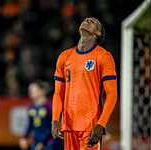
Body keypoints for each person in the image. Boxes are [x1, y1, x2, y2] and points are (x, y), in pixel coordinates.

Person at [51, 17, 117, 150]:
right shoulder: (64, 56)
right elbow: (58, 92)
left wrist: (101, 124)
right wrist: (55, 120)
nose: (86, 20)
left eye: (92, 21)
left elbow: (112, 94)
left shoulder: (104, 56)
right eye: (86, 19)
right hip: (68, 127)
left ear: (97, 33)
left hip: (91, 127)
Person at [19, 80, 64, 150]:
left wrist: (43, 142)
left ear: (42, 91)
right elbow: (30, 124)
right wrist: (25, 137)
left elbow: (52, 126)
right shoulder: (32, 107)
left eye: (34, 90)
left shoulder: (50, 107)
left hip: (49, 142)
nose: (31, 93)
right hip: (36, 141)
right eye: (30, 91)